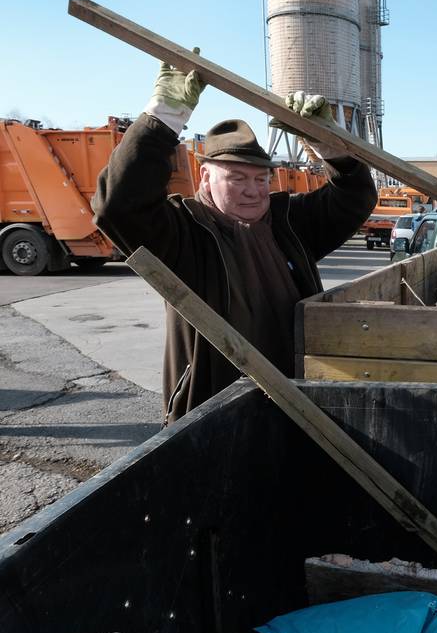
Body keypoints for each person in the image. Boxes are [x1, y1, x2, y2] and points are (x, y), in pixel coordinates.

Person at [92, 58, 376, 424]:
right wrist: (163, 117)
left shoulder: (288, 224)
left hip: (297, 408)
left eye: (261, 179)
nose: (253, 191)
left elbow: (354, 198)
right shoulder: (185, 233)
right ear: (205, 176)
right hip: (216, 416)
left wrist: (328, 143)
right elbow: (117, 205)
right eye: (237, 178)